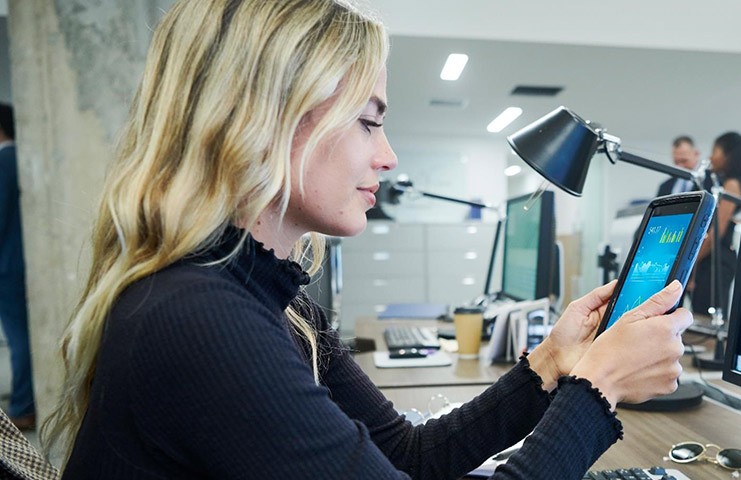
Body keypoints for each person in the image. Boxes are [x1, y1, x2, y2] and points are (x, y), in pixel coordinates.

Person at [43, 1, 691, 478]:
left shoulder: (278, 307)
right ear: (263, 122)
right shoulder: (198, 319)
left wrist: (551, 363)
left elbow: (408, 456)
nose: (387, 156)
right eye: (367, 122)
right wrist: (598, 386)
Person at [0, 103, 36, 431]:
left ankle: (23, 405)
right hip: (18, 262)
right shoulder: (18, 159)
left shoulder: (3, 161)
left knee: (19, 337)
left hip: (5, 266)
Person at [689, 132, 741, 317]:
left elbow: (717, 231)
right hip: (713, 258)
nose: (711, 157)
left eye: (715, 151)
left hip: (716, 261)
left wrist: (691, 262)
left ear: (728, 155)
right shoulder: (729, 183)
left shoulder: (733, 184)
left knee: (707, 318)